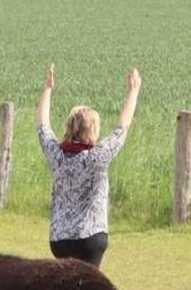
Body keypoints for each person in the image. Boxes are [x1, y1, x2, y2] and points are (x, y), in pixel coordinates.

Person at [37, 64, 142, 267]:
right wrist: (134, 91)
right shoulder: (97, 158)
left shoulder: (56, 155)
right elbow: (122, 127)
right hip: (91, 238)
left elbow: (43, 125)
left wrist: (48, 88)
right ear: (92, 131)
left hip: (60, 240)